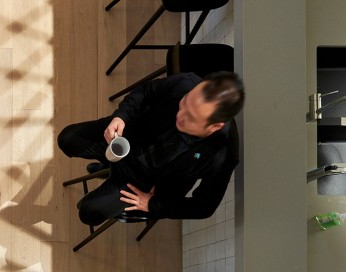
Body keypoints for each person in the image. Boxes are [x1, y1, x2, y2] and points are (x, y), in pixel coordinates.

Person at [58, 71, 244, 225]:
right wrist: (120, 117)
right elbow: (145, 91)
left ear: (215, 126)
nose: (180, 115)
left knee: (88, 213)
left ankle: (107, 173)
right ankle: (106, 166)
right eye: (185, 102)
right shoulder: (184, 83)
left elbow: (204, 207)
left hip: (144, 184)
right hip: (128, 137)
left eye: (191, 118)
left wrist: (154, 205)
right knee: (67, 140)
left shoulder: (223, 155)